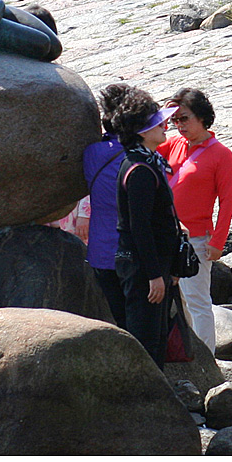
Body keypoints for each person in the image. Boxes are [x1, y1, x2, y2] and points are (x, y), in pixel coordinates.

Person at [158, 88, 232, 355]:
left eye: (184, 118)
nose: (179, 126)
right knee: (173, 302)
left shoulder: (221, 154)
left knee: (196, 302)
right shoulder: (174, 144)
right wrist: (163, 114)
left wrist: (218, 242)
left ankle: (207, 361)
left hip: (196, 239)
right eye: (175, 120)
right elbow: (142, 144)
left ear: (202, 117)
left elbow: (227, 202)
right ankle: (187, 358)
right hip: (165, 235)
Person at [109, 89, 182, 369]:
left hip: (154, 265)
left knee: (158, 338)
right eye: (157, 123)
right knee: (146, 342)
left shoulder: (148, 161)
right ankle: (145, 404)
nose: (165, 126)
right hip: (142, 269)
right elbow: (138, 228)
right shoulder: (139, 169)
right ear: (141, 131)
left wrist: (170, 269)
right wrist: (154, 275)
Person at [81, 83, 134, 328]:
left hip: (101, 250)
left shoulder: (92, 152)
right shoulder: (137, 156)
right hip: (133, 250)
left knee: (120, 317)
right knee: (144, 320)